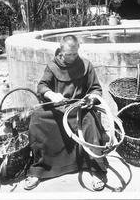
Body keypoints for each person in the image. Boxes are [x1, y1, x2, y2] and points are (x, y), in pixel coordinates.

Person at [24, 35, 108, 191]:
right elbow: (42, 86)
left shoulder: (85, 65)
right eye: (69, 54)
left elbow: (96, 88)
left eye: (75, 53)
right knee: (37, 118)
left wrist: (91, 99)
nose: (73, 57)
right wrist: (52, 95)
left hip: (80, 108)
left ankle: (95, 170)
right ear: (61, 52)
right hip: (58, 108)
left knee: (91, 119)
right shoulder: (52, 66)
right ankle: (40, 169)